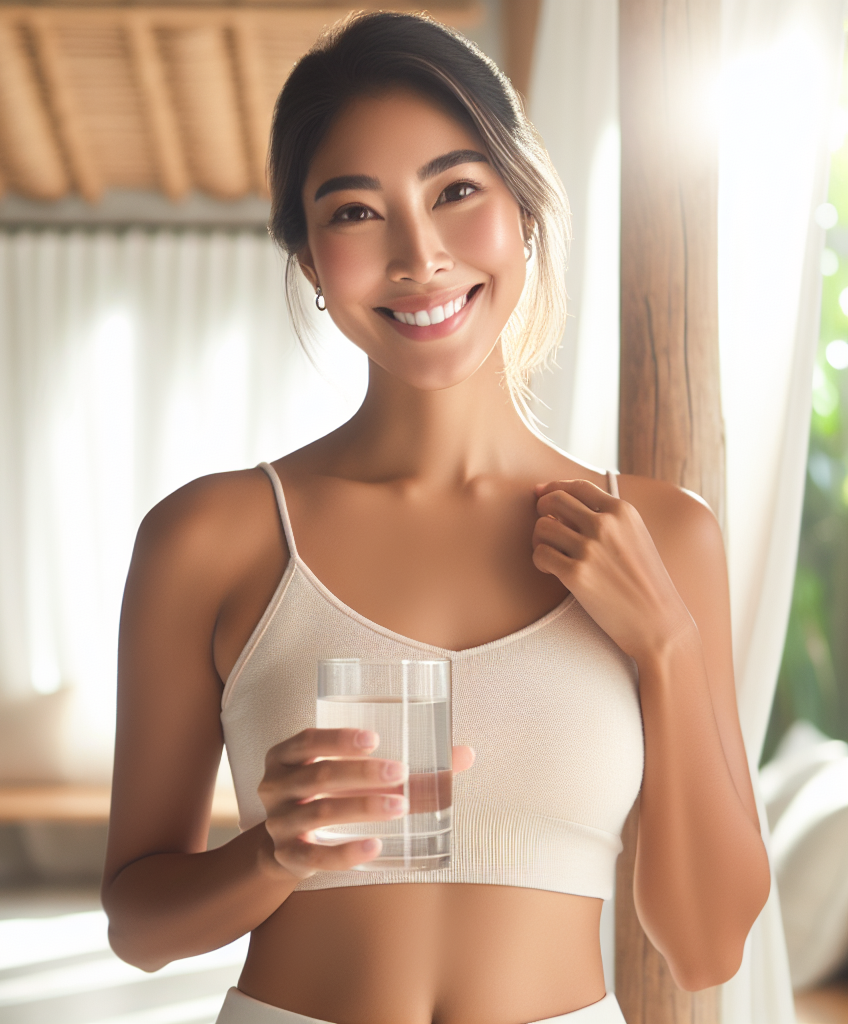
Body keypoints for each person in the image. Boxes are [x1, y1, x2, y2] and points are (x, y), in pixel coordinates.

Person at [101, 13, 770, 1024]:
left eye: (456, 191)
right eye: (357, 212)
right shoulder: (211, 537)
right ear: (312, 262)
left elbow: (707, 942)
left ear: (523, 209)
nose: (419, 254)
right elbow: (138, 927)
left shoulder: (664, 537)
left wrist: (666, 645)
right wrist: (269, 853)